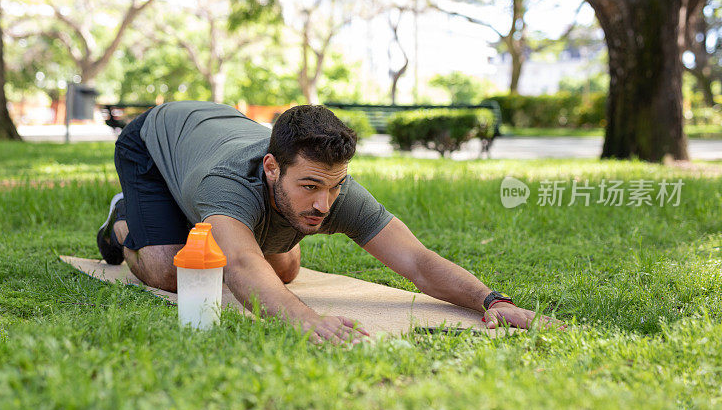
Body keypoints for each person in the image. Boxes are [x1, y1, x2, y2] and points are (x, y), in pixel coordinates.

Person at [98, 101, 555, 345]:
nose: (324, 203)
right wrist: (304, 319)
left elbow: (415, 260)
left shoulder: (333, 186)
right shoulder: (228, 183)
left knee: (284, 271)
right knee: (171, 270)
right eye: (311, 186)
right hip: (154, 143)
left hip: (209, 142)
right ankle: (123, 222)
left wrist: (490, 299)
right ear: (272, 167)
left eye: (334, 187)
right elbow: (237, 263)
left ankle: (189, 220)